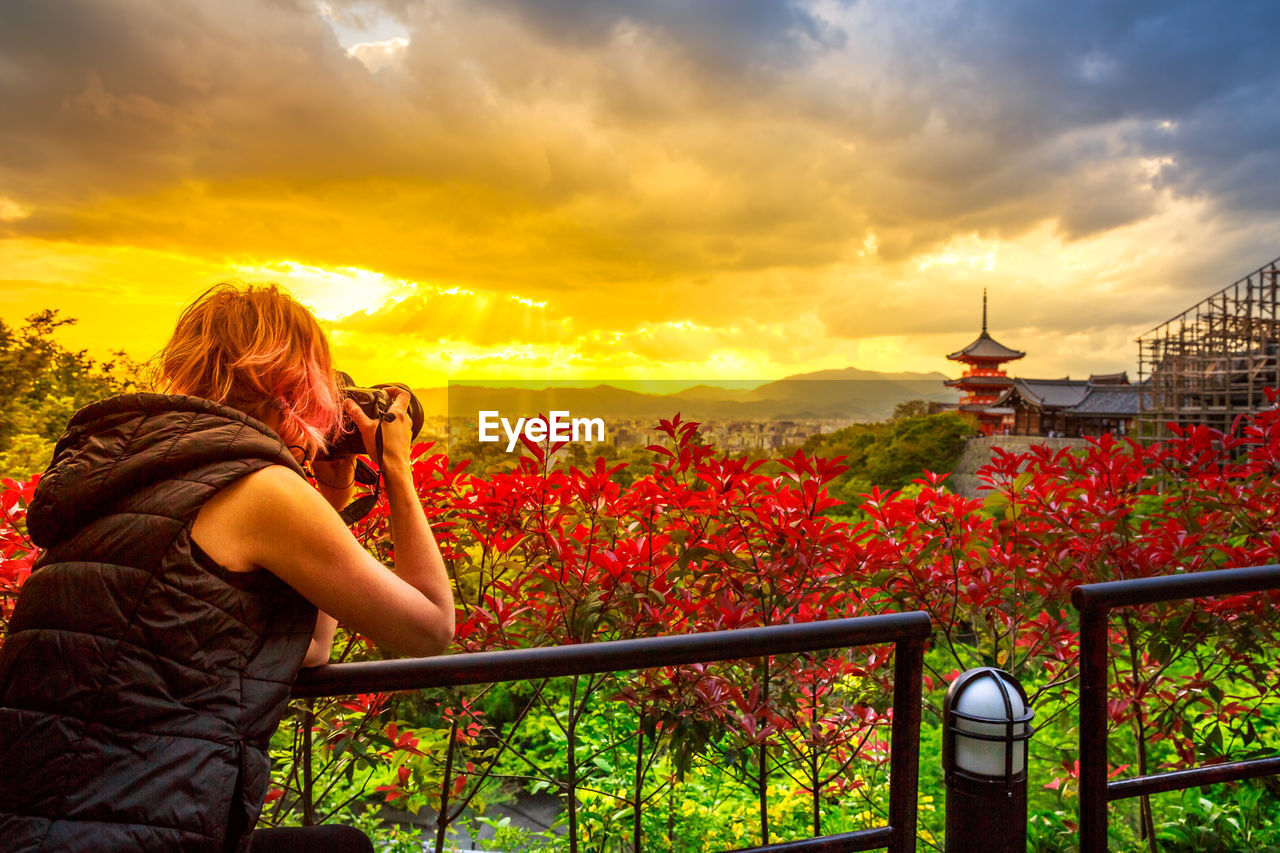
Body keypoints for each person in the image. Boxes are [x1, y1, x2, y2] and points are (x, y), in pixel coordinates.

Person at [0, 283, 455, 852]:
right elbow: (430, 628)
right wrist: (397, 469)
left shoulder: (141, 465)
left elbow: (306, 648)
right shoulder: (257, 487)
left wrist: (331, 499)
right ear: (292, 382)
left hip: (50, 817)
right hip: (131, 825)